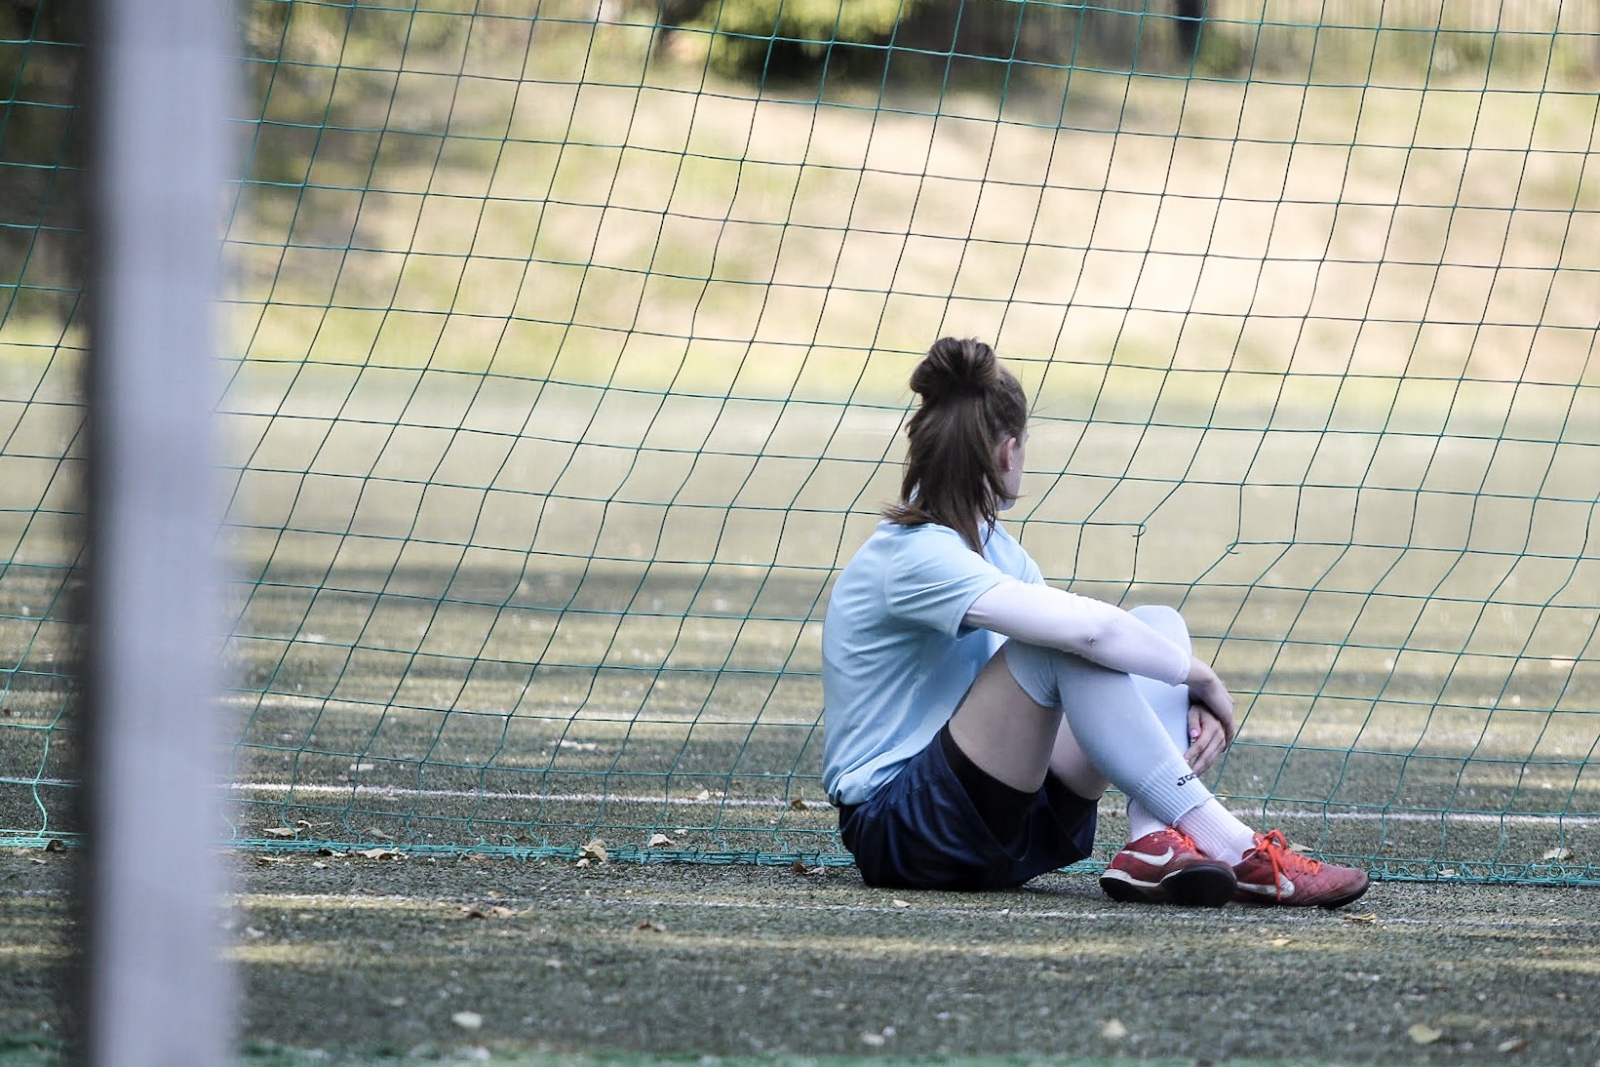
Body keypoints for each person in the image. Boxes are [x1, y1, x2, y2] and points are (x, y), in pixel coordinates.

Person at [821, 336, 1368, 908]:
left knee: (1153, 623)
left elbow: (1096, 647)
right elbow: (1084, 635)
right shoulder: (909, 557)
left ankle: (1153, 841)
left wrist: (1172, 673)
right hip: (905, 832)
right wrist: (1198, 679)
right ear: (1008, 452)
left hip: (1004, 820)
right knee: (1059, 645)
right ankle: (1234, 846)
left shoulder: (997, 551)